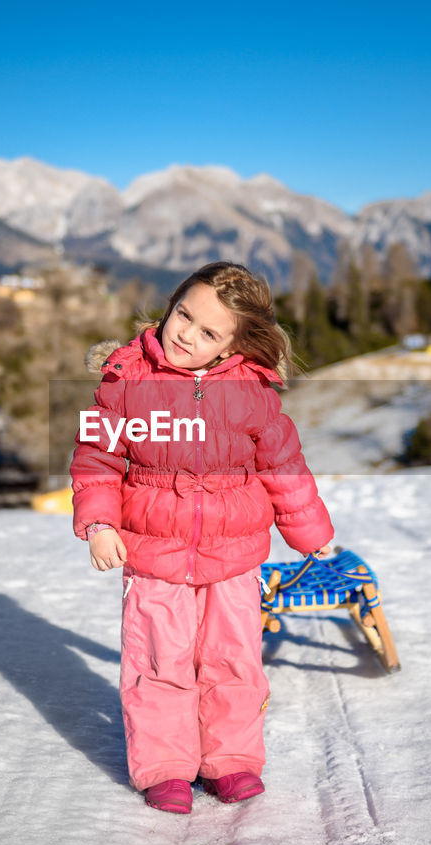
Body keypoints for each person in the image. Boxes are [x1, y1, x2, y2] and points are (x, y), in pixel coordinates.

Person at [71, 261, 334, 814]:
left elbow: (282, 463)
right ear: (171, 306)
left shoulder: (251, 391)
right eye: (183, 315)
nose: (185, 333)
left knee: (232, 660)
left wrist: (308, 530)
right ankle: (165, 766)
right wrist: (100, 524)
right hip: (152, 552)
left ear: (232, 345)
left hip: (233, 554)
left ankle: (231, 760)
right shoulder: (125, 379)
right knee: (159, 660)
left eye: (207, 331)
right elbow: (96, 457)